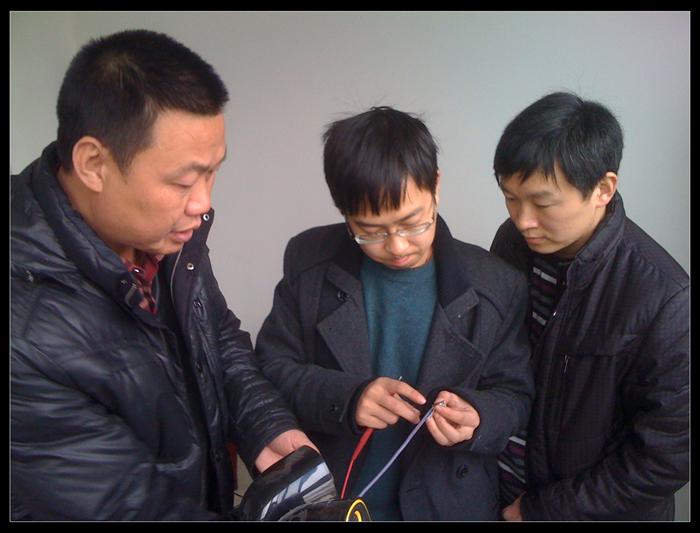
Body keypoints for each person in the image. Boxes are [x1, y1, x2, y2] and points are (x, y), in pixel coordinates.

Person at [10, 29, 317, 521]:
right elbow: (125, 509)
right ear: (93, 164)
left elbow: (215, 333)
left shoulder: (168, 234)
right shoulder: (24, 330)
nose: (204, 203)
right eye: (183, 181)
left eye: (212, 172)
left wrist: (266, 424)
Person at [254, 106, 534, 521]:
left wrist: (479, 416)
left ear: (435, 185)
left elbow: (516, 395)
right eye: (370, 231)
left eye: (413, 223)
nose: (398, 246)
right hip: (334, 501)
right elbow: (271, 369)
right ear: (344, 211)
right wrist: (348, 398)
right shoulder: (310, 261)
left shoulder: (496, 284)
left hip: (446, 505)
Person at [490, 92, 689, 521]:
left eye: (542, 203)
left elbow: (665, 458)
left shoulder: (665, 299)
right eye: (510, 197)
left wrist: (543, 511)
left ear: (603, 189)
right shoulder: (511, 244)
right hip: (500, 496)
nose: (523, 220)